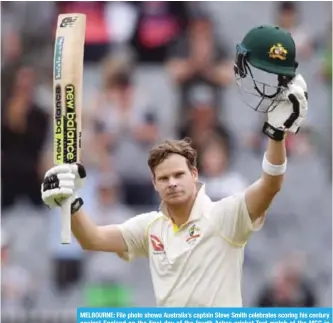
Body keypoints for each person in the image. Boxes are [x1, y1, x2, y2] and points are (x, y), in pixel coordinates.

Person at [41, 25, 308, 307]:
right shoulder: (151, 228)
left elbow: (271, 184)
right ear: (154, 184)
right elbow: (92, 238)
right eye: (164, 178)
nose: (172, 183)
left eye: (179, 174)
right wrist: (69, 202)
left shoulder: (226, 215)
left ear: (195, 175)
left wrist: (276, 136)